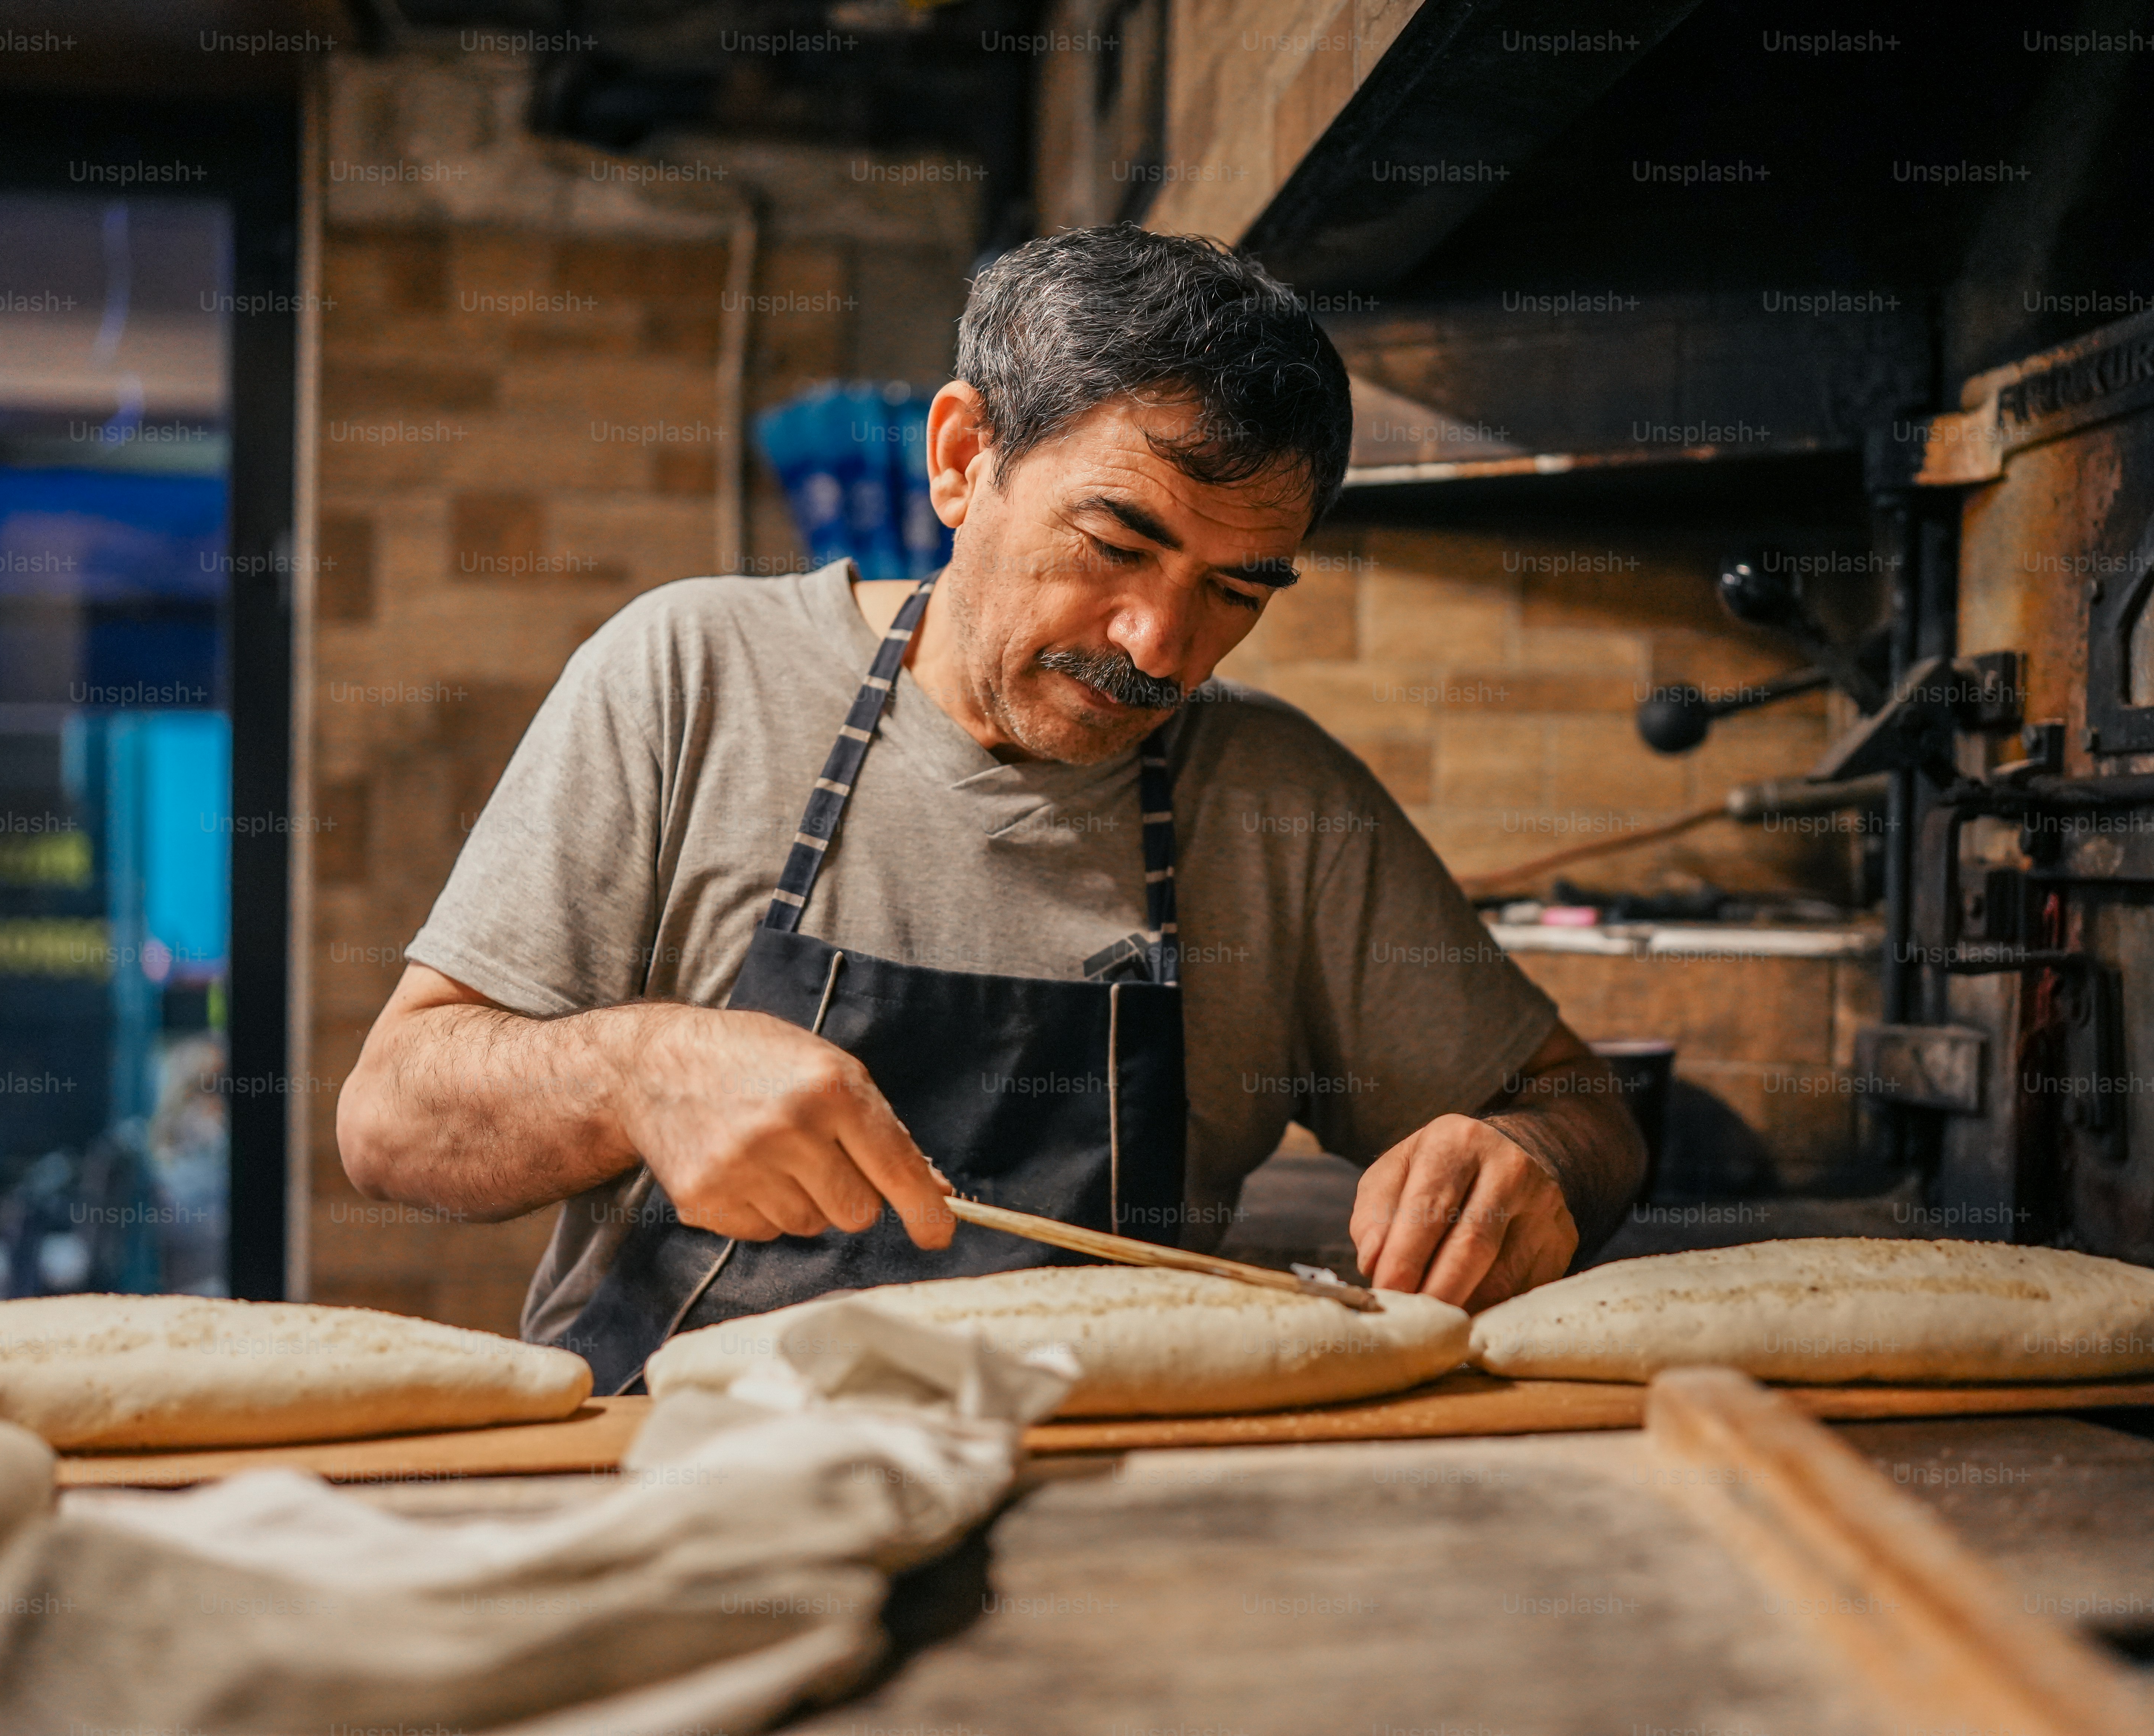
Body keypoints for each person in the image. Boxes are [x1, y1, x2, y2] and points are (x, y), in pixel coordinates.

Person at [336, 225, 1645, 1393]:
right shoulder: (693, 674)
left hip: (1105, 1487)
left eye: (1238, 592)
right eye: (1117, 546)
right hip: (674, 1465)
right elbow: (390, 1120)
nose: (1160, 643)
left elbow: (1580, 1107)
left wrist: (1528, 1159)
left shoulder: (1275, 800)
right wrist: (636, 1071)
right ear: (965, 459)